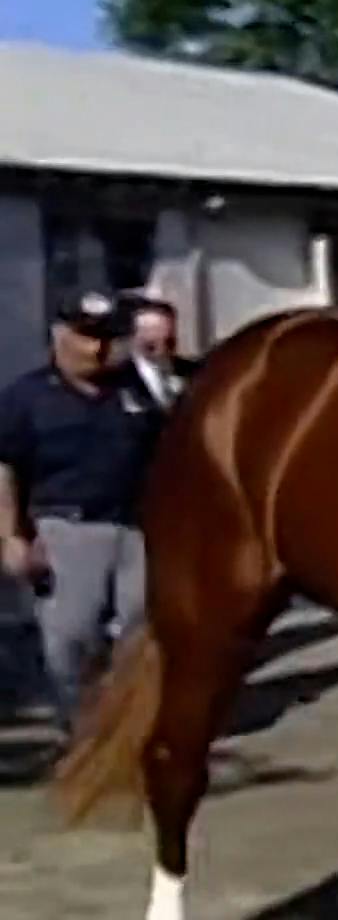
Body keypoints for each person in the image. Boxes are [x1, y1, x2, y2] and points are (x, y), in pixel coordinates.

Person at [0, 289, 162, 734]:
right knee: (72, 637)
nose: (99, 348)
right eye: (88, 336)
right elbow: (5, 469)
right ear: (60, 335)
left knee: (141, 631)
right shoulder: (27, 397)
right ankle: (80, 727)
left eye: (108, 337)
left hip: (136, 528)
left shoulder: (135, 389)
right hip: (66, 528)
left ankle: (131, 726)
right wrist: (11, 536)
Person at [124, 295, 199, 413]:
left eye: (169, 340)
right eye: (152, 341)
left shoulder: (195, 373)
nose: (163, 348)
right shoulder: (118, 382)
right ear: (136, 337)